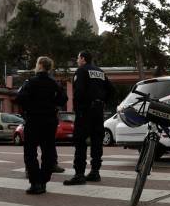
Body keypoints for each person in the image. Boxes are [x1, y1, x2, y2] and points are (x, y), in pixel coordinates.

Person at [16, 56, 67, 194]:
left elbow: (19, 98)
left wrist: (30, 106)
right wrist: (52, 103)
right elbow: (63, 99)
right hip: (50, 120)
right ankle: (44, 181)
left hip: (33, 119)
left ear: (39, 65)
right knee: (48, 151)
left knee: (30, 152)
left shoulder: (30, 82)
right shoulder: (54, 83)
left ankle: (35, 183)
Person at [64, 51, 114, 185]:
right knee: (97, 141)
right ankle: (95, 172)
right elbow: (111, 90)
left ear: (83, 59)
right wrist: (102, 102)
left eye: (78, 58)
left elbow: (78, 92)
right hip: (98, 111)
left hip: (85, 111)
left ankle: (79, 174)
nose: (77, 61)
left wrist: (78, 108)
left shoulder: (81, 71)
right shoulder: (100, 72)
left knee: (80, 141)